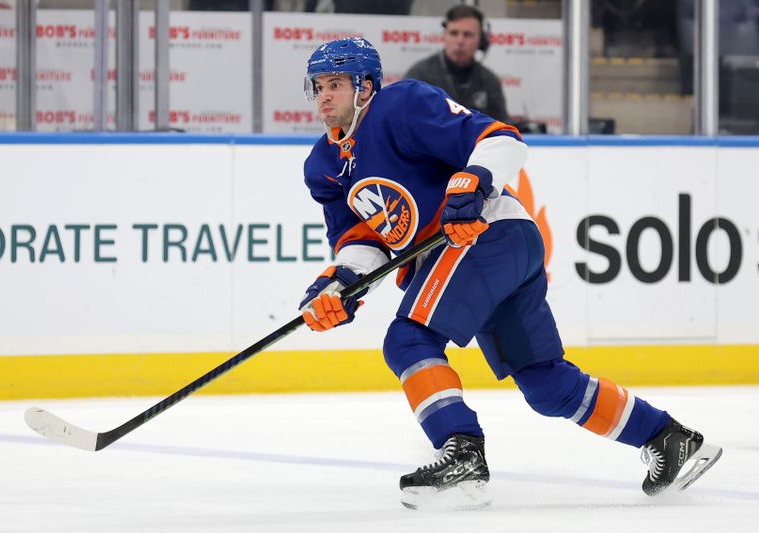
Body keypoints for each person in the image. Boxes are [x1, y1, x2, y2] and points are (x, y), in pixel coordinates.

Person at [297, 36, 722, 510]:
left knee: (408, 339)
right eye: (318, 86)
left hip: (485, 235)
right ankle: (668, 438)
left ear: (366, 88)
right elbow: (364, 241)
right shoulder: (322, 167)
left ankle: (461, 452)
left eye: (336, 83)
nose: (325, 96)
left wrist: (472, 181)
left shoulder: (400, 105)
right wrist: (338, 286)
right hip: (485, 251)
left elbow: (501, 139)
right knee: (546, 384)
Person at [405, 4, 509, 122]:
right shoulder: (419, 76)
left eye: (467, 34)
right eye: (454, 33)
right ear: (444, 36)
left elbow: (503, 130)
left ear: (480, 40)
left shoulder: (489, 81)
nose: (460, 41)